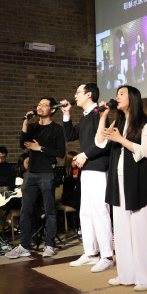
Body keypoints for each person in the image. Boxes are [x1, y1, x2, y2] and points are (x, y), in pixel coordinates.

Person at [96, 85, 147, 291]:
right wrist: (103, 117)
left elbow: (145, 151)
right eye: (117, 94)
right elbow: (100, 143)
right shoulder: (118, 122)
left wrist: (120, 139)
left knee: (142, 230)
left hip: (139, 181)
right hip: (118, 181)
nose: (117, 97)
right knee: (122, 231)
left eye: (122, 94)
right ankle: (127, 274)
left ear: (132, 98)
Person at [61, 83, 114, 273]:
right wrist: (66, 114)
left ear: (89, 94)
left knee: (100, 211)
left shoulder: (99, 114)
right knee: (86, 212)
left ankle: (107, 256)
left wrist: (85, 155)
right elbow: (70, 135)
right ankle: (91, 253)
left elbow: (105, 141)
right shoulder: (85, 117)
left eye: (78, 92)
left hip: (98, 168)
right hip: (88, 169)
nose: (75, 96)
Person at [6, 96, 65, 259]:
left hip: (47, 172)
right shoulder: (32, 127)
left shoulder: (57, 129)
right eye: (39, 104)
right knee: (26, 210)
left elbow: (61, 153)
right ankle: (24, 246)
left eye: (44, 105)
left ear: (52, 110)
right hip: (31, 173)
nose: (40, 107)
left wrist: (40, 148)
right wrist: (25, 123)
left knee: (49, 209)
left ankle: (49, 245)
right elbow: (22, 145)